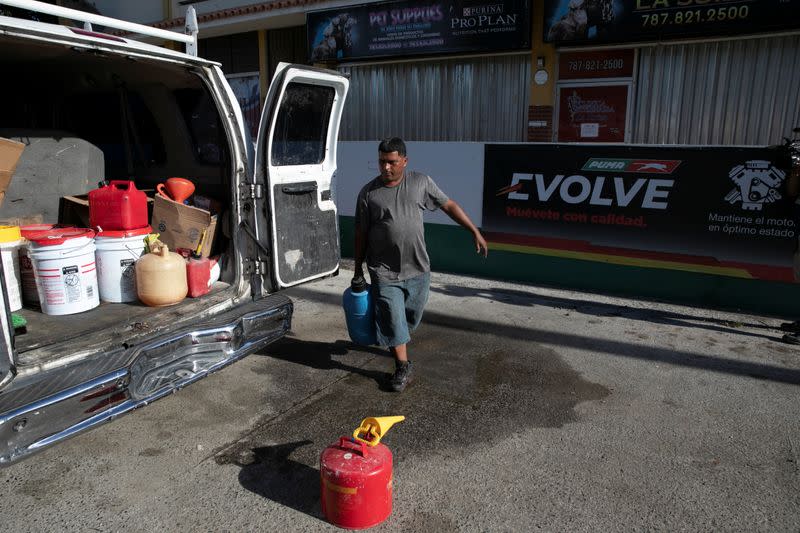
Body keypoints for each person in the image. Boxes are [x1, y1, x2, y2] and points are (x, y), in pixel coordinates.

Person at [354, 137, 488, 391]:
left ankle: (395, 335)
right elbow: (360, 232)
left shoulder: (420, 182)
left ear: (404, 161)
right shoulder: (368, 193)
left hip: (418, 268)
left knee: (409, 319)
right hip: (384, 271)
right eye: (382, 162)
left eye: (392, 162)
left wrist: (474, 231)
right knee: (394, 318)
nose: (386, 168)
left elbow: (448, 205)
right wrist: (359, 266)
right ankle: (403, 368)